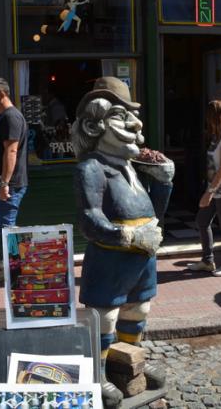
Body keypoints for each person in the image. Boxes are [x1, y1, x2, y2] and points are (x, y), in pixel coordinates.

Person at [71, 76, 173, 407]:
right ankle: (99, 374)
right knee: (106, 316)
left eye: (132, 114)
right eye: (121, 115)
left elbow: (153, 211)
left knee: (138, 309)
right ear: (94, 125)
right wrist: (128, 234)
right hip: (111, 257)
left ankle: (130, 364)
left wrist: (163, 182)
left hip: (142, 258)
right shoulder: (91, 168)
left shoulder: (130, 165)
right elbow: (90, 219)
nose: (135, 123)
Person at [187, 100, 221, 277]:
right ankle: (207, 261)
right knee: (202, 221)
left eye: (209, 115)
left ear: (216, 116)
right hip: (215, 186)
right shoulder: (216, 136)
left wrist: (209, 193)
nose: (207, 119)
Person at [0, 77, 29, 282]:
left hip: (10, 185)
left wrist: (4, 183)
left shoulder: (11, 117)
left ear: (2, 94)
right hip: (1, 184)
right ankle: (12, 268)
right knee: (5, 227)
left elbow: (11, 152)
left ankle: (13, 271)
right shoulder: (3, 117)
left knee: (7, 228)